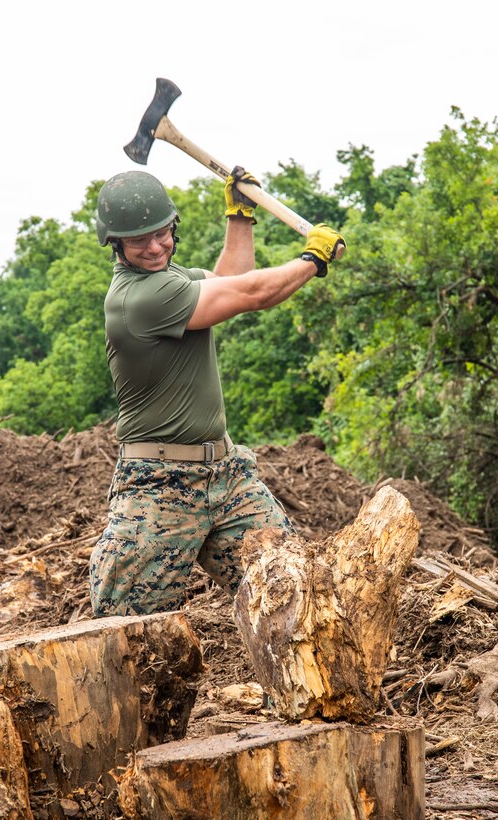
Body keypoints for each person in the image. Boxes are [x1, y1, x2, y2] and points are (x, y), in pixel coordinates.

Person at [89, 167, 345, 617]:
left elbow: (231, 278)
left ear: (173, 227)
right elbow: (252, 293)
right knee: (128, 637)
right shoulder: (139, 299)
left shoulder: (174, 280)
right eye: (138, 241)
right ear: (116, 244)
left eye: (161, 233)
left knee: (298, 595)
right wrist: (312, 260)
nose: (154, 247)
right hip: (159, 488)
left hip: (227, 477)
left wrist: (239, 216)